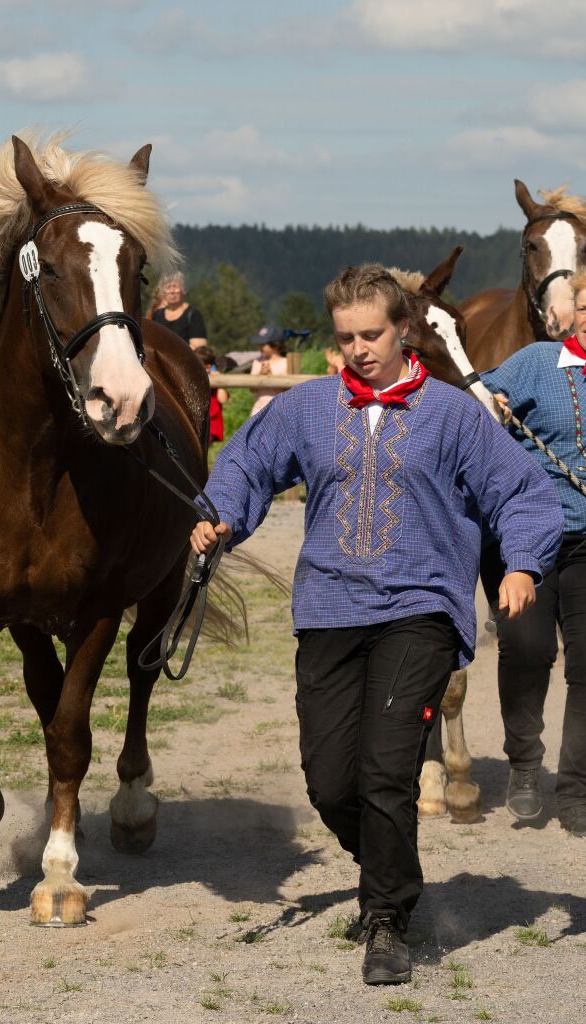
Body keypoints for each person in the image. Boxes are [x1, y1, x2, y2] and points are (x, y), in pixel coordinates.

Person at [190, 264, 562, 986]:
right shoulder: (303, 409)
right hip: (327, 611)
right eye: (344, 337)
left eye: (370, 334)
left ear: (400, 332)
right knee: (330, 784)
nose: (357, 349)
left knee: (386, 770)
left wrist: (520, 564)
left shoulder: (454, 414)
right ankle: (392, 870)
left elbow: (520, 492)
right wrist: (218, 518)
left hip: (417, 612)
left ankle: (387, 919)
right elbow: (245, 466)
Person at [479, 270, 586, 838]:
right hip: (531, 538)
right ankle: (524, 768)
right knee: (527, 648)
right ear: (571, 312)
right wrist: (490, 403)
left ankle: (576, 786)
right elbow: (475, 392)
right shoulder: (535, 362)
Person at [151, 272, 207, 349]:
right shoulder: (157, 315)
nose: (172, 291)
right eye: (168, 287)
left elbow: (199, 348)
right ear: (163, 292)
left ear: (184, 290)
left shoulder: (193, 314)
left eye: (175, 286)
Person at [249, 325, 289, 415]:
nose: (260, 346)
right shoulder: (257, 362)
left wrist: (271, 377)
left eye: (263, 344)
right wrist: (260, 375)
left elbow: (288, 390)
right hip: (258, 409)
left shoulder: (286, 363)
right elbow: (252, 389)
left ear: (276, 344)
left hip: (279, 409)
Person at [194, 345, 229, 444]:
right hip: (196, 419)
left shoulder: (215, 378)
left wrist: (220, 380)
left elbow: (222, 400)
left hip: (211, 423)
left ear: (209, 366)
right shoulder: (193, 377)